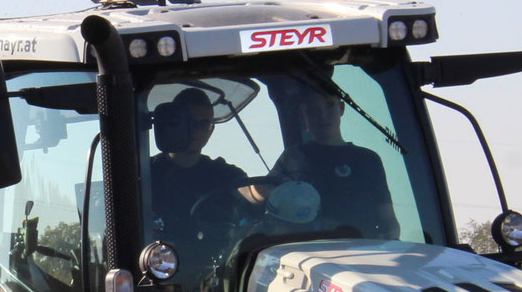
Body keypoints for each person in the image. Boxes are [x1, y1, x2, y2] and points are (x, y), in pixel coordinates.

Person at [268, 72, 399, 239]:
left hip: (365, 254)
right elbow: (265, 193)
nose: (322, 116)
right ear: (303, 116)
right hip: (308, 255)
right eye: (313, 110)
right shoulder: (294, 157)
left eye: (329, 106)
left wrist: (388, 242)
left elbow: (389, 222)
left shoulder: (368, 160)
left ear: (341, 108)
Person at [148, 87, 252, 250]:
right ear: (175, 124)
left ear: (211, 130)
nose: (197, 130)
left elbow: (247, 191)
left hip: (219, 268)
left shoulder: (225, 174)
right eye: (190, 122)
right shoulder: (144, 174)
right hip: (159, 266)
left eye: (204, 124)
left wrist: (265, 191)